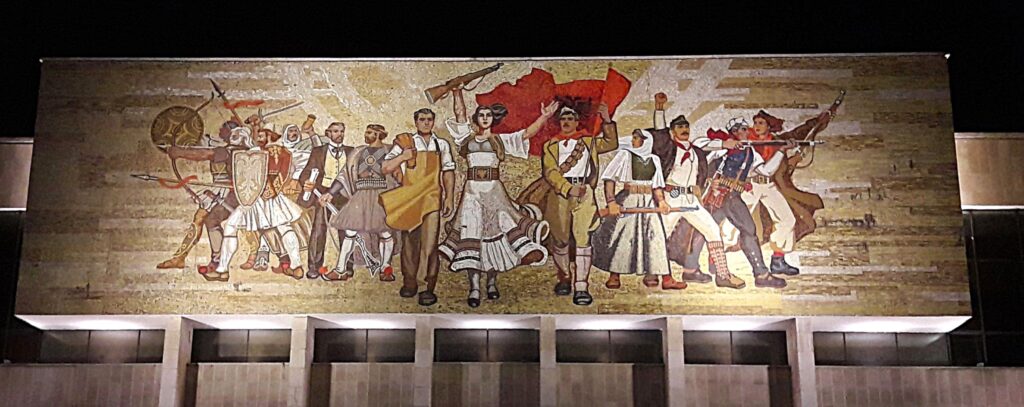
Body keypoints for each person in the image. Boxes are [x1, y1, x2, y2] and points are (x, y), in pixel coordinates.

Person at [440, 88, 556, 307]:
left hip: (494, 192)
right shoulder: (466, 139)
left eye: (488, 115)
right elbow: (460, 113)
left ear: (493, 119)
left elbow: (526, 134)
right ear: (476, 119)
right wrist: (457, 91)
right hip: (472, 193)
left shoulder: (501, 140)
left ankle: (492, 282)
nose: (485, 118)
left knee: (496, 235)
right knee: (473, 235)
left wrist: (544, 117)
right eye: (481, 115)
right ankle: (475, 287)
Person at [591, 129, 687, 289]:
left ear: (645, 141)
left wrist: (662, 202)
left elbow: (657, 185)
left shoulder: (654, 159)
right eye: (633, 137)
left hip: (649, 201)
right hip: (629, 199)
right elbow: (610, 179)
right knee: (623, 236)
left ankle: (665, 278)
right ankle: (614, 275)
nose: (633, 140)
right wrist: (611, 202)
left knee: (656, 237)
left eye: (636, 138)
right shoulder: (624, 155)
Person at [380, 108, 456, 306]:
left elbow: (448, 172)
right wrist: (403, 157)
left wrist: (449, 198)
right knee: (409, 243)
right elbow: (385, 167)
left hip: (432, 198)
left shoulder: (441, 144)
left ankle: (425, 287)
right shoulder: (406, 142)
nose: (426, 123)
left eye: (429, 119)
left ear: (433, 122)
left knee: (429, 245)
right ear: (416, 122)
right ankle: (410, 282)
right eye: (422, 119)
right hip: (410, 199)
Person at [318, 124, 398, 282]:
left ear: (378, 134)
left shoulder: (390, 151)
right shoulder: (358, 152)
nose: (366, 135)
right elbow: (344, 175)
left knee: (385, 232)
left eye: (370, 132)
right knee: (350, 232)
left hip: (382, 196)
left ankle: (385, 268)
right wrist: (330, 193)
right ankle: (340, 270)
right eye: (366, 132)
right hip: (360, 196)